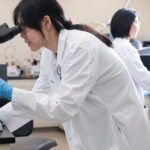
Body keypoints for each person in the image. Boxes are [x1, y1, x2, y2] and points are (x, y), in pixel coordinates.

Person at [0, 1, 150, 149]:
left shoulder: (81, 47)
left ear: (46, 21)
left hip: (123, 141)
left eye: (24, 28)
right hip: (93, 138)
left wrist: (11, 92)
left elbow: (62, 108)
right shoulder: (49, 53)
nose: (22, 36)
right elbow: (38, 97)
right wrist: (2, 116)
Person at [110, 8, 150, 106]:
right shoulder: (125, 47)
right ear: (126, 24)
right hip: (129, 106)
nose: (138, 26)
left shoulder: (115, 44)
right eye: (136, 22)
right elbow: (142, 77)